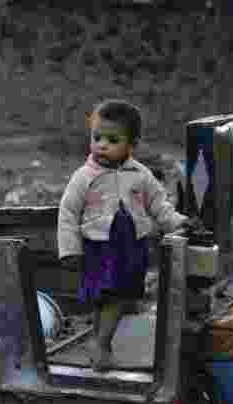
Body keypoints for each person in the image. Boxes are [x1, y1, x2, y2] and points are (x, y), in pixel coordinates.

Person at [58, 99, 198, 371]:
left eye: (112, 140)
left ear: (132, 145)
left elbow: (159, 205)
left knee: (117, 297)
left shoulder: (141, 175)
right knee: (106, 297)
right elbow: (68, 213)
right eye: (97, 138)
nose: (101, 145)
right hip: (98, 247)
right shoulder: (83, 177)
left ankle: (99, 342)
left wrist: (178, 223)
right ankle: (102, 345)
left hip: (130, 247)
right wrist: (70, 249)